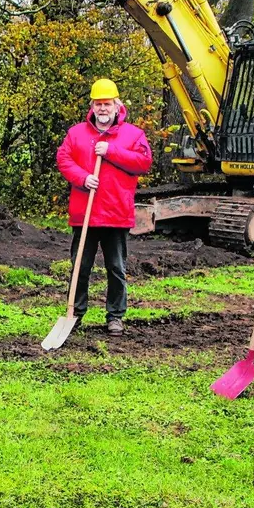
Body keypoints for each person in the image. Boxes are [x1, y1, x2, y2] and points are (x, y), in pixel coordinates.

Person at [55, 78, 154, 335]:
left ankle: (115, 316)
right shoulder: (76, 133)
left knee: (116, 268)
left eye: (107, 104)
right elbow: (63, 158)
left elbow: (143, 162)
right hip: (84, 214)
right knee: (80, 266)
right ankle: (75, 313)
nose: (102, 109)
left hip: (116, 213)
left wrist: (110, 151)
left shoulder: (134, 135)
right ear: (92, 105)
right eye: (98, 104)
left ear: (116, 105)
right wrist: (82, 178)